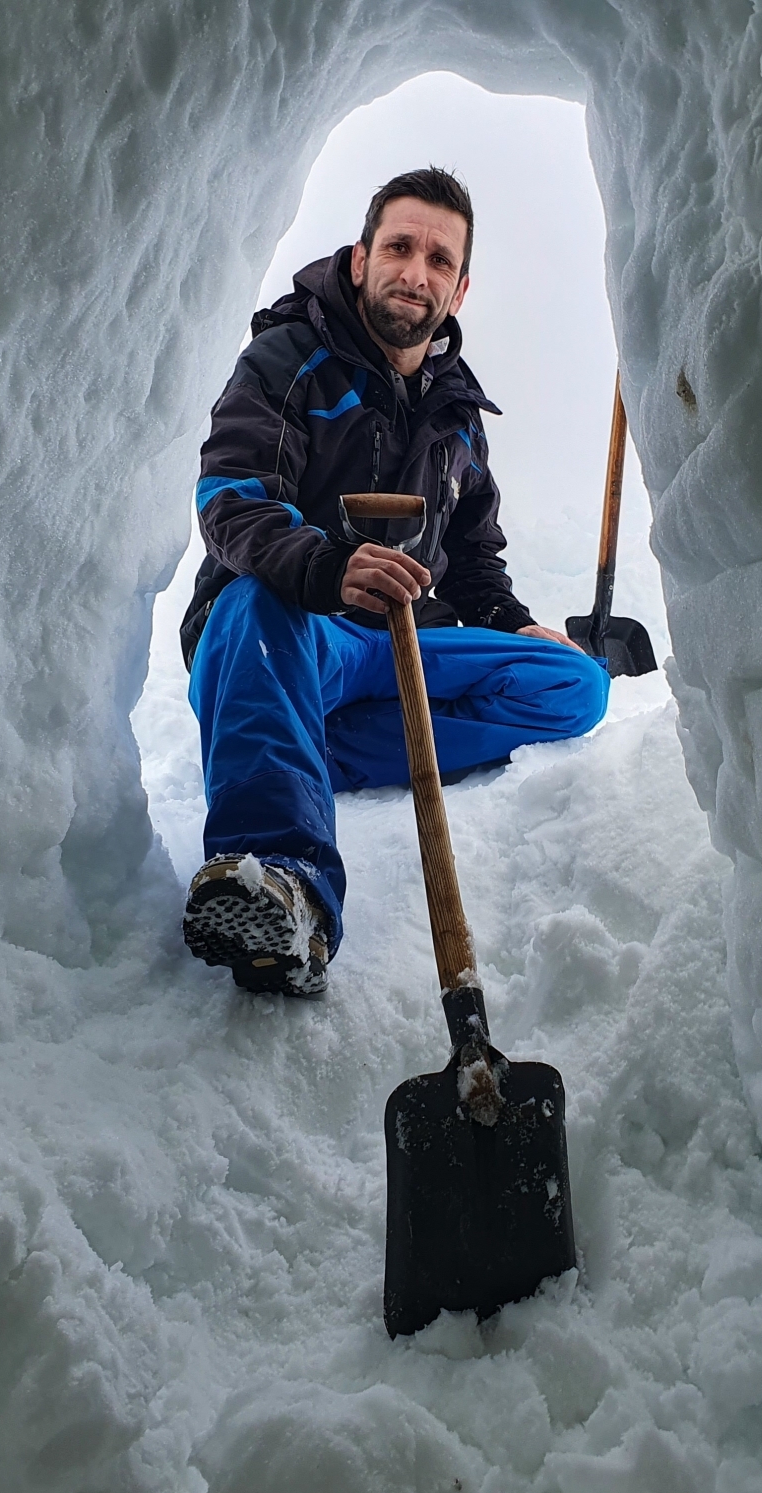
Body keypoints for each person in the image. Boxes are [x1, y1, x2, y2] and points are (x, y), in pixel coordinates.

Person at [177, 166, 610, 996]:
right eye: (400, 247)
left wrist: (512, 624)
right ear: (359, 259)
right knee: (255, 605)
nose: (417, 272)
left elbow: (476, 554)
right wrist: (328, 568)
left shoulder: (457, 418)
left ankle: (289, 747)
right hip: (293, 632)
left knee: (575, 686)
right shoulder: (284, 362)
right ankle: (287, 887)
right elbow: (231, 501)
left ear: (461, 286)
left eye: (439, 259)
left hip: (405, 645)